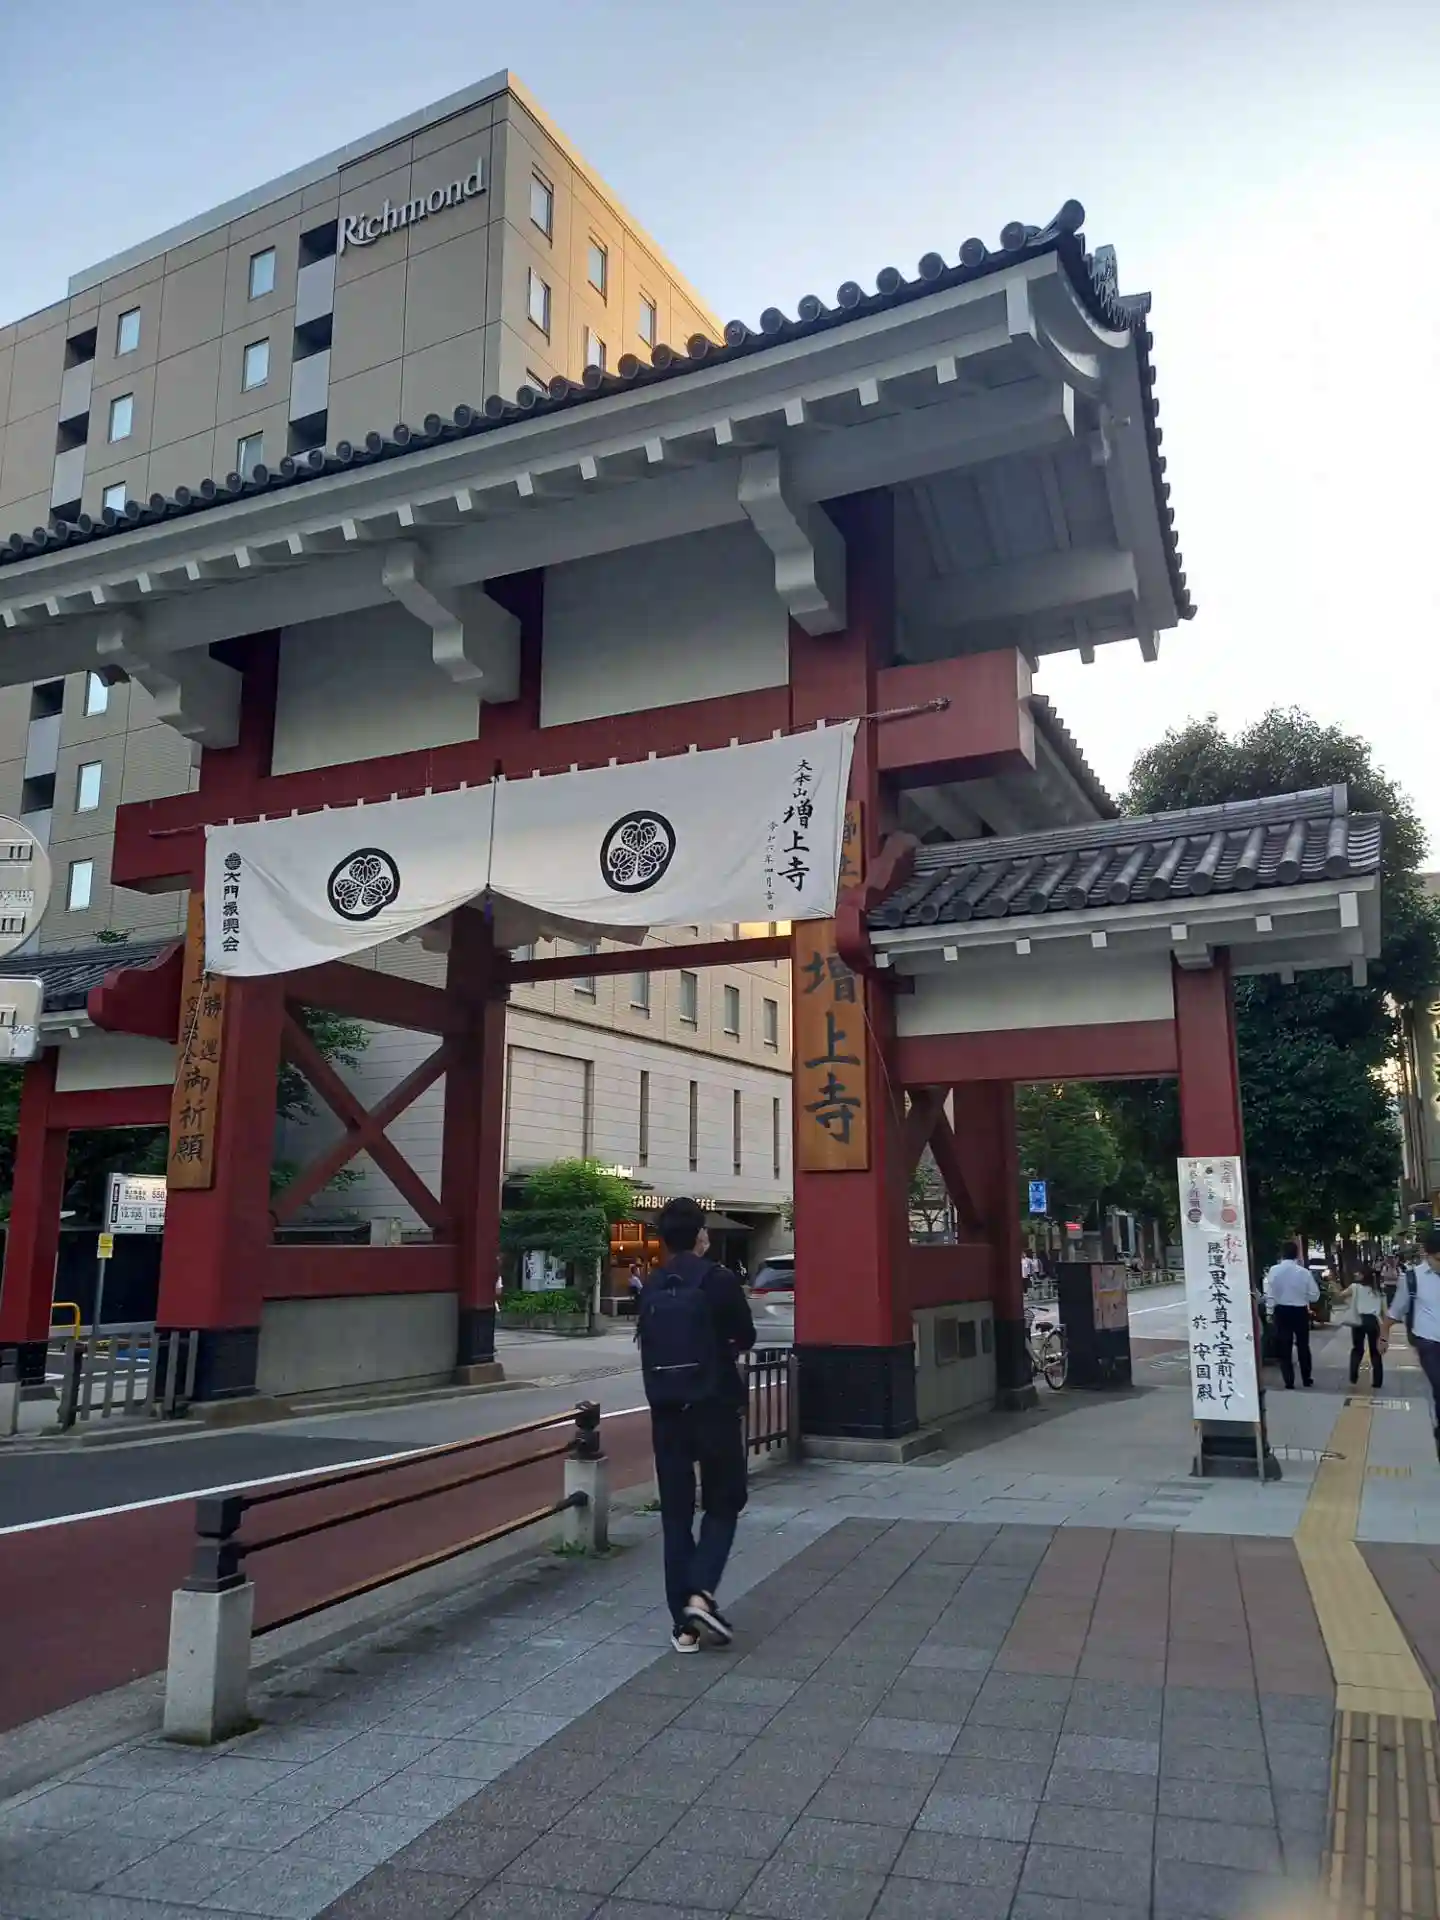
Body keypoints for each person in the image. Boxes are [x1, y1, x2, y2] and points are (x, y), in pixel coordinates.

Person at [635, 1196, 756, 1653]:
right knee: (725, 1500)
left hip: (666, 1412)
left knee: (676, 1515)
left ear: (664, 1240)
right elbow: (746, 1335)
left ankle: (684, 1628)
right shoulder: (718, 1280)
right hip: (714, 1407)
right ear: (702, 1235)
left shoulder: (652, 1284)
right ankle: (700, 1594)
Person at [1382, 1232, 1440, 1459]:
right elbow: (1396, 1311)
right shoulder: (1413, 1278)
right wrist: (1384, 1335)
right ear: (1427, 1255)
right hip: (1428, 1342)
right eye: (1439, 1259)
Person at [1263, 1240, 1319, 1388]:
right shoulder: (1304, 1272)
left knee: (1284, 1346)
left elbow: (1269, 1293)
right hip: (1300, 1311)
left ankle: (1289, 1380)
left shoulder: (1274, 1271)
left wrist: (1269, 1311)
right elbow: (1315, 1295)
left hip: (1281, 1310)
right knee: (1303, 1345)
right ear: (1297, 1254)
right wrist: (1303, 1297)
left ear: (1282, 1254)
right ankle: (1306, 1378)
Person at [1338, 1265, 1386, 1390]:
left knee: (1357, 1349)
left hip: (1359, 1320)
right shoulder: (1378, 1290)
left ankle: (1353, 1375)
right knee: (1375, 1351)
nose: (1356, 1274)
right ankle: (1377, 1381)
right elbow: (1384, 1311)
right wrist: (1384, 1330)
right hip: (1374, 1321)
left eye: (1358, 1273)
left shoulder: (1354, 1287)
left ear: (1363, 1275)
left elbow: (1341, 1295)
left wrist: (1335, 1285)